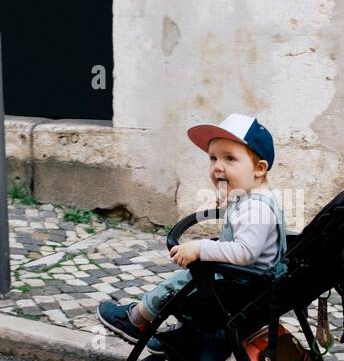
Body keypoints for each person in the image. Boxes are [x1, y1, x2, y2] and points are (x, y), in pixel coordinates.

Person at [97, 113, 286, 348]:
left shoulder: (255, 208)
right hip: (249, 284)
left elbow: (245, 252)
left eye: (229, 159)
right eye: (213, 158)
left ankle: (136, 321)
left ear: (259, 169)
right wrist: (229, 197)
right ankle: (183, 338)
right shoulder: (256, 197)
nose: (218, 166)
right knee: (198, 272)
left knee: (179, 283)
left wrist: (200, 247)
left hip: (239, 288)